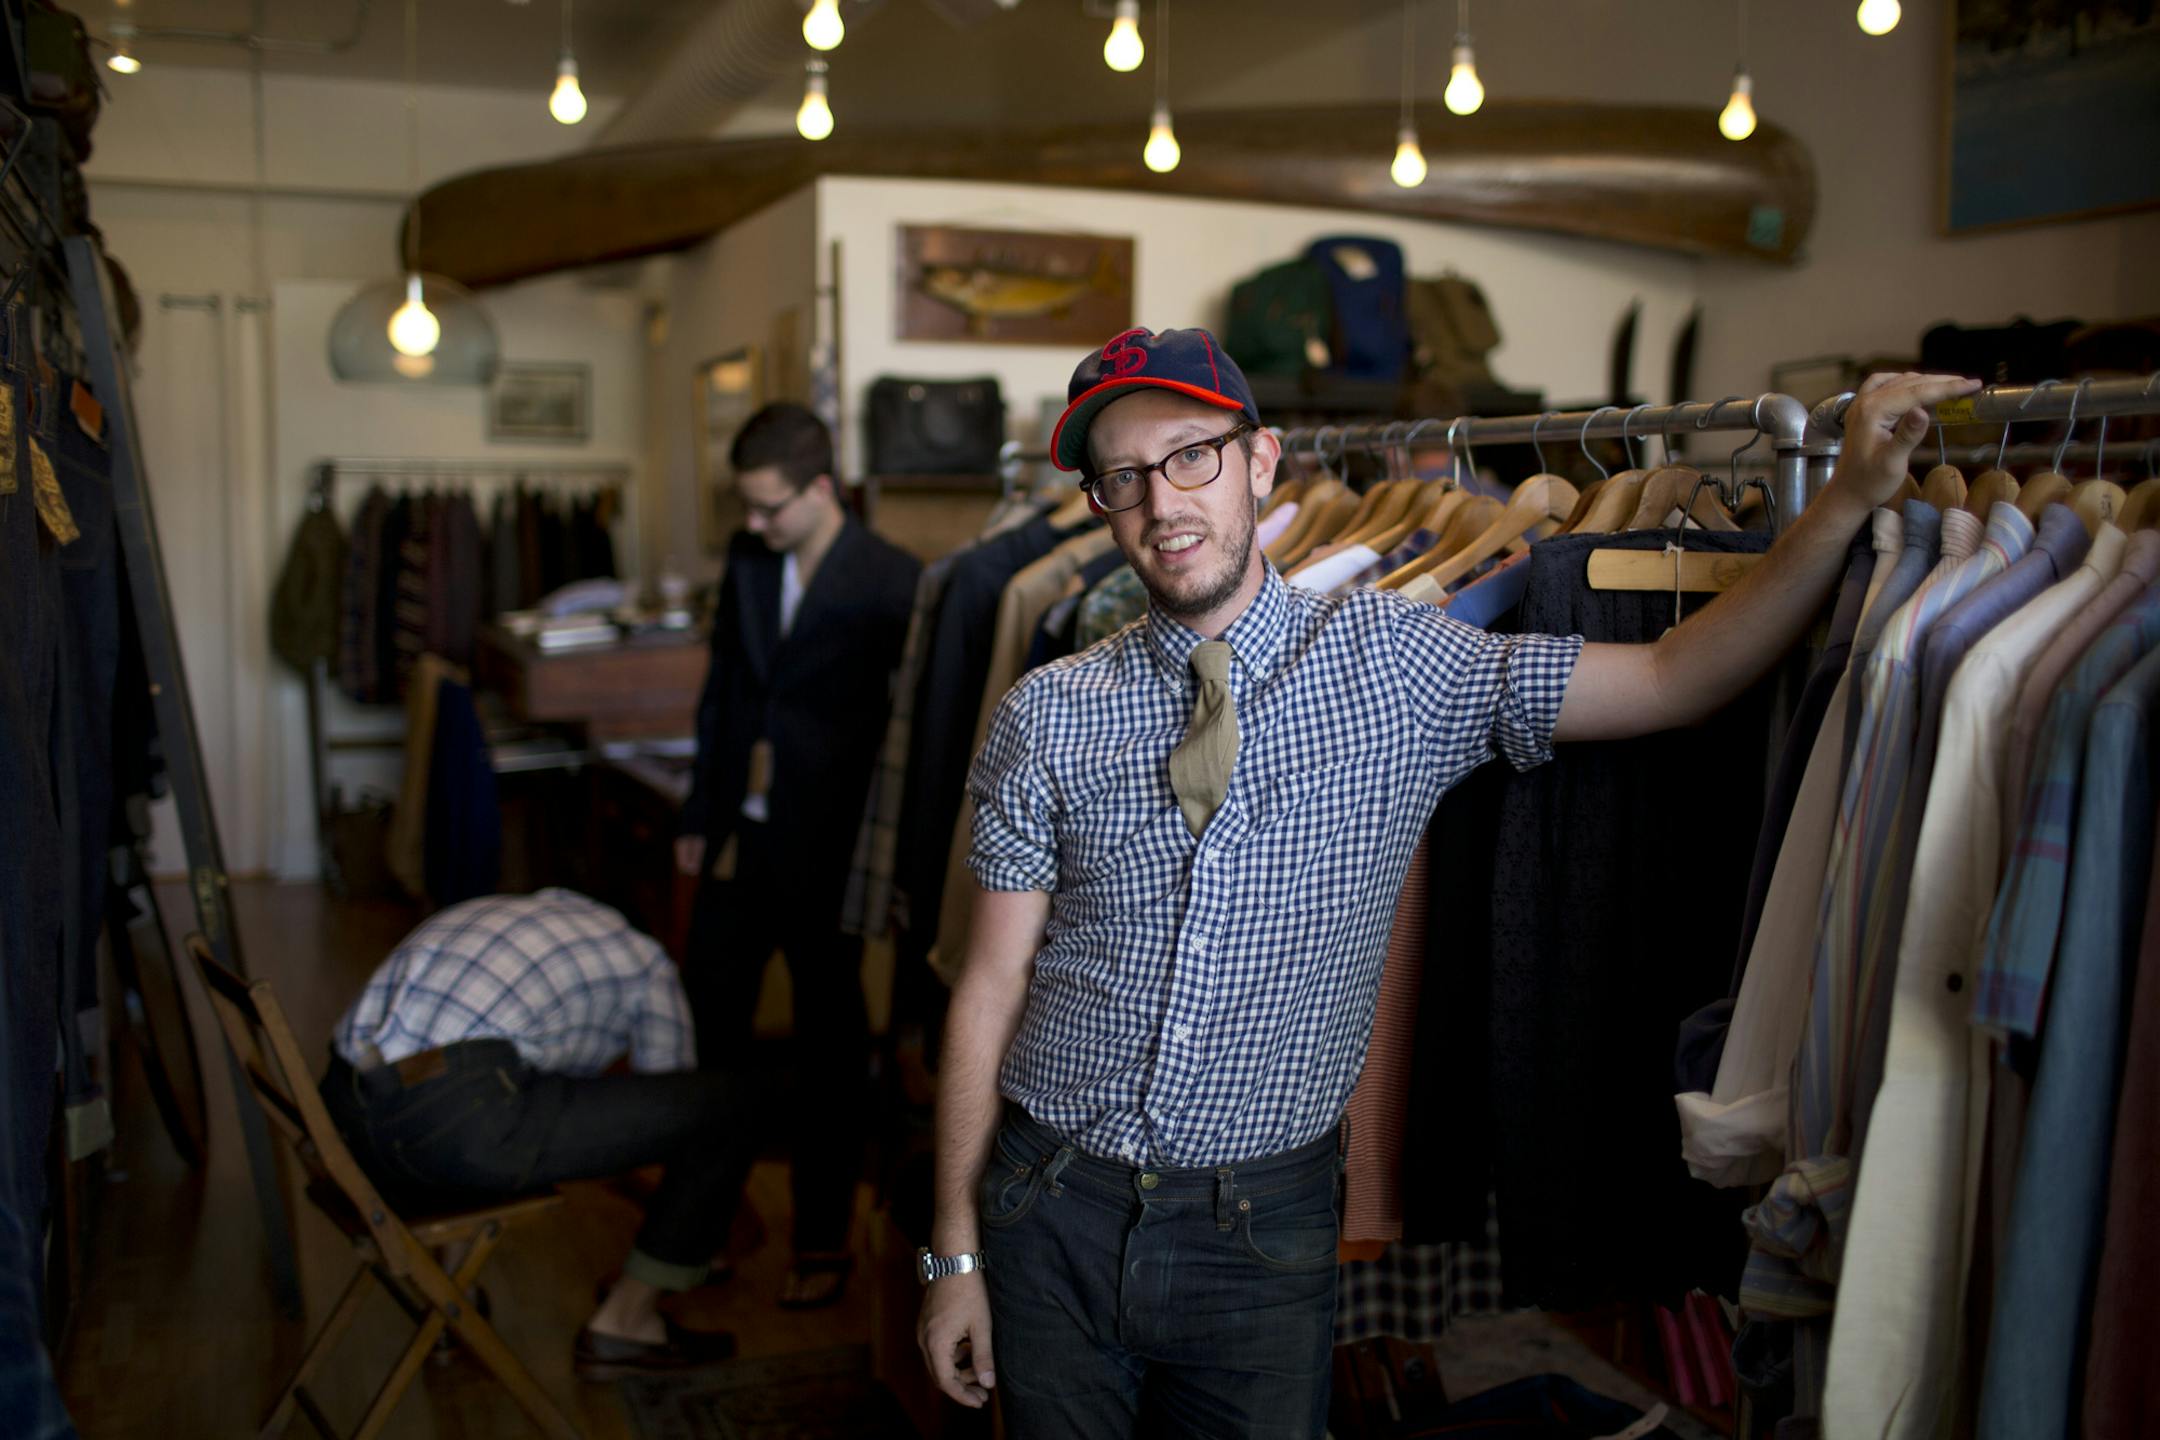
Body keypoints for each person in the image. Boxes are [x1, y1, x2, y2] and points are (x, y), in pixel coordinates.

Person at [913, 325, 1979, 1436]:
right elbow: (989, 987)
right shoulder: (1049, 710)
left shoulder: (1402, 662)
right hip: (1048, 1204)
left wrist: (1847, 496)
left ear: (1261, 460)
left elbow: (1674, 674)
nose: (1161, 501)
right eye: (1121, 477)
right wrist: (954, 1252)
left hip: (1258, 1231)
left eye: (1190, 456)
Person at [677, 401, 922, 1308]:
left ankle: (821, 1242)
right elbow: (723, 691)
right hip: (739, 839)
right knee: (708, 1037)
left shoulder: (897, 579)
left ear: (823, 489)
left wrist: (894, 864)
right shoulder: (747, 560)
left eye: (769, 506)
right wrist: (701, 811)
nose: (753, 523)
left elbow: (906, 734)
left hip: (832, 849)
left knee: (829, 1048)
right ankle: (699, 1226)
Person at [319, 888, 751, 1379]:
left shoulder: (496, 910)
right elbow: (675, 1103)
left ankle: (451, 1297)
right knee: (727, 1107)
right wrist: (706, 1221)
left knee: (477, 1080)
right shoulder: (646, 960)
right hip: (451, 1128)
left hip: (344, 1129)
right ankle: (627, 1323)